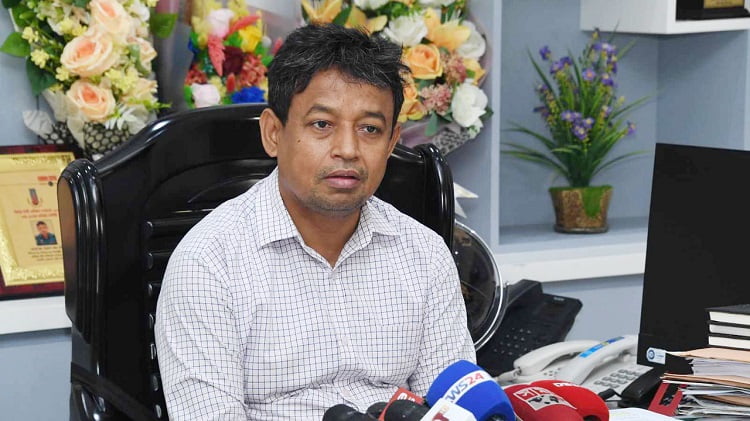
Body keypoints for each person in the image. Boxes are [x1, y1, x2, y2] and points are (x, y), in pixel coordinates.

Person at [155, 23, 475, 421]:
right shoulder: (208, 261)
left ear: (392, 142)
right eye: (322, 125)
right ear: (274, 133)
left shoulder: (424, 253)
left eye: (370, 129)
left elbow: (454, 407)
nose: (348, 150)